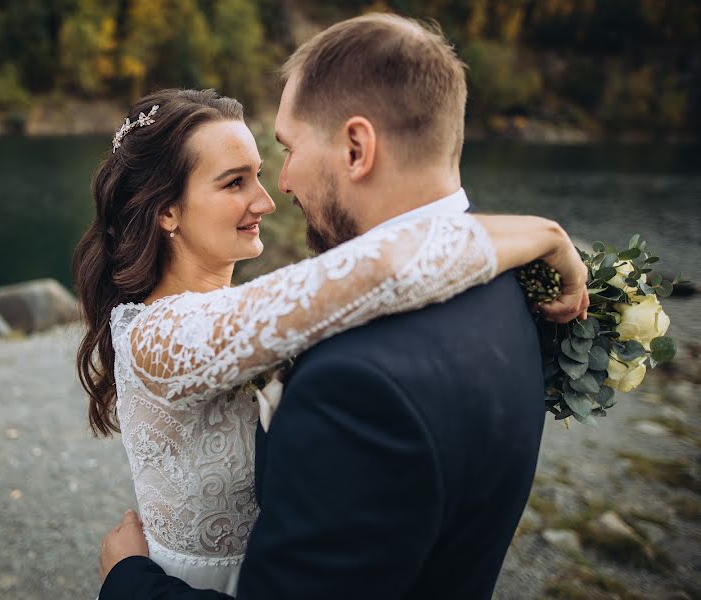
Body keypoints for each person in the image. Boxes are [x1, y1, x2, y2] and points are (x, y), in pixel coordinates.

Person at [81, 14, 589, 599]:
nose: (269, 199)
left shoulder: (246, 310)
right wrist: (544, 235)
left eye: (263, 171)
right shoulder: (161, 335)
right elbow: (376, 271)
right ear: (165, 211)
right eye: (233, 183)